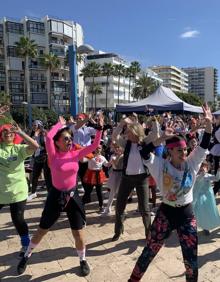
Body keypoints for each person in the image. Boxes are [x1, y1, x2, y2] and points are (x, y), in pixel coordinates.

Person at [128, 104, 212, 282]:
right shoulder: (160, 165)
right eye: (180, 150)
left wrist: (209, 124)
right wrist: (161, 139)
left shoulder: (192, 163)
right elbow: (144, 151)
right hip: (165, 213)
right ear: (170, 151)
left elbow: (204, 144)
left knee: (191, 258)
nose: (184, 152)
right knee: (149, 250)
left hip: (186, 214)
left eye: (185, 149)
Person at [17, 115, 104, 276]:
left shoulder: (75, 154)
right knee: (42, 230)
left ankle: (82, 260)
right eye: (65, 139)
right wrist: (60, 124)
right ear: (58, 142)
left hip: (72, 195)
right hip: (56, 196)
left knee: (78, 232)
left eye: (70, 138)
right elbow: (49, 136)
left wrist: (99, 129)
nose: (69, 141)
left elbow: (95, 145)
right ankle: (26, 255)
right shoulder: (53, 154)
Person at [111, 116, 159, 241]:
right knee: (119, 205)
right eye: (127, 132)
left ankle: (149, 233)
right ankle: (118, 230)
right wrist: (121, 124)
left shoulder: (145, 141)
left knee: (144, 208)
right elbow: (114, 136)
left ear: (136, 132)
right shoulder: (126, 143)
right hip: (126, 178)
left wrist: (154, 120)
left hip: (142, 179)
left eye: (129, 132)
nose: (127, 134)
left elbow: (156, 134)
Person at [0, 108, 39, 257]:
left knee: (17, 219)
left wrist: (21, 133)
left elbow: (35, 146)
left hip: (17, 190)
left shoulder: (19, 149)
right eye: (5, 132)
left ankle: (25, 245)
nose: (8, 133)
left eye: (11, 132)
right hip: (1, 190)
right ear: (1, 135)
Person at [193, 160, 220, 235]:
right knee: (198, 212)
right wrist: (202, 174)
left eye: (205, 167)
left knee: (206, 213)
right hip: (198, 197)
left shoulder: (208, 175)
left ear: (207, 168)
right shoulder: (196, 176)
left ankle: (205, 227)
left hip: (208, 198)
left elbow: (217, 178)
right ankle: (194, 227)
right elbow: (198, 180)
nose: (203, 168)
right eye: (201, 167)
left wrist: (218, 171)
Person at [28, 120, 52, 200]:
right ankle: (33, 193)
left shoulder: (44, 133)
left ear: (39, 125)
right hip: (36, 157)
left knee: (47, 176)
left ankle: (50, 193)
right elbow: (29, 144)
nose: (34, 126)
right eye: (33, 125)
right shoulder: (32, 134)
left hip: (45, 157)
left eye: (35, 125)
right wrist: (34, 135)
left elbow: (48, 144)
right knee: (35, 175)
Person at [82, 144, 109, 212]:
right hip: (91, 174)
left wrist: (114, 159)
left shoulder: (102, 157)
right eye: (96, 148)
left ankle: (101, 206)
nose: (97, 149)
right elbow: (82, 160)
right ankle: (81, 205)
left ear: (101, 149)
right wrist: (81, 153)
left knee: (99, 192)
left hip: (99, 174)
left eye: (99, 148)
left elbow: (107, 164)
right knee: (88, 191)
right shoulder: (90, 155)